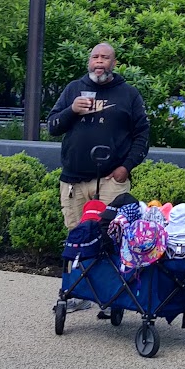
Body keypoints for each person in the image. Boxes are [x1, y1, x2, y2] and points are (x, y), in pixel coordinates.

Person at [48, 43, 150, 230]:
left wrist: (125, 168)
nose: (99, 62)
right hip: (73, 181)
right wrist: (71, 110)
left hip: (111, 180)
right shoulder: (73, 89)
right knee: (77, 238)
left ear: (114, 62)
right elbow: (52, 127)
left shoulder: (129, 94)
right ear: (89, 61)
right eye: (95, 57)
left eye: (105, 58)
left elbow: (142, 135)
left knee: (111, 236)